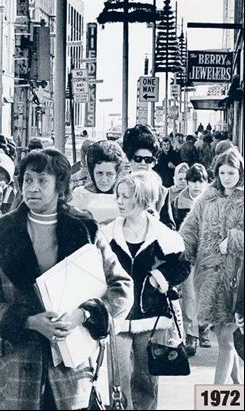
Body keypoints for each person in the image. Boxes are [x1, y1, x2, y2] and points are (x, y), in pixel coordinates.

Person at [0, 149, 134, 410]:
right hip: (10, 364)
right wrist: (27, 321)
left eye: (42, 181)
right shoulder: (0, 231)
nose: (32, 188)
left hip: (69, 366)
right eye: (27, 180)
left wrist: (83, 315)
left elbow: (122, 288)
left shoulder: (84, 228)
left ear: (60, 185)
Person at [102, 171, 190, 410]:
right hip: (117, 318)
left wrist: (159, 277)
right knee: (117, 381)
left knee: (146, 379)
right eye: (117, 195)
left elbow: (182, 266)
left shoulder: (163, 236)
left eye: (126, 196)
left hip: (151, 318)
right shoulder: (107, 234)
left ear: (143, 199)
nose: (119, 201)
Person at [179, 148, 244, 383]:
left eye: (232, 172)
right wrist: (180, 254)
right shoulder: (206, 199)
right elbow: (190, 230)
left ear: (240, 172)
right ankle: (238, 384)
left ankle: (216, 394)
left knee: (226, 339)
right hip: (210, 279)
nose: (227, 177)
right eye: (223, 172)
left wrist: (235, 239)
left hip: (238, 280)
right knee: (225, 335)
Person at [172, 164, 210, 356]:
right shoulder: (178, 201)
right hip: (188, 255)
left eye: (200, 181)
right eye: (193, 181)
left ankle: (203, 328)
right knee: (189, 295)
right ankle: (191, 335)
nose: (196, 186)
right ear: (187, 182)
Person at [122, 125, 176, 229]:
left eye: (148, 160)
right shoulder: (119, 186)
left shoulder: (161, 191)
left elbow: (170, 227)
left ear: (154, 162)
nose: (142, 163)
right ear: (130, 158)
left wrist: (157, 221)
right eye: (138, 158)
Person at [71, 140, 125, 225]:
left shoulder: (126, 196)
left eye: (109, 174)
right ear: (92, 172)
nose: (104, 180)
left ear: (117, 173)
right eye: (99, 173)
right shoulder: (79, 195)